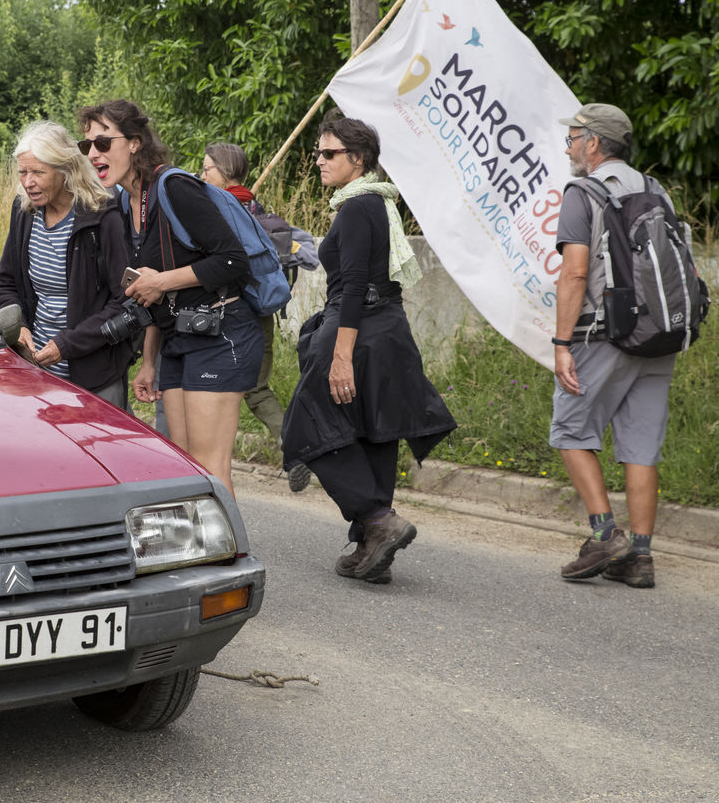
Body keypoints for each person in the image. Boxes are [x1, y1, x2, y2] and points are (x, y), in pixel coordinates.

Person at [281, 111, 455, 583]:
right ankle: (372, 549)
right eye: (318, 152)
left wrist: (341, 357)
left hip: (355, 329)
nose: (320, 160)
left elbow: (355, 284)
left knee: (307, 425)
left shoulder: (358, 207)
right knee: (373, 430)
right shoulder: (378, 201)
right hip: (387, 329)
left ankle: (378, 521)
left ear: (358, 159)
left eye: (329, 153)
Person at [79, 99, 263, 493]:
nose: (93, 153)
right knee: (187, 468)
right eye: (87, 145)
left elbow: (232, 261)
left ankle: (226, 538)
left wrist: (162, 282)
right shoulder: (125, 202)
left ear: (134, 143)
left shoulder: (174, 187)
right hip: (178, 337)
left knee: (210, 469)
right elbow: (151, 289)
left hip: (221, 332)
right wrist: (148, 361)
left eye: (103, 143)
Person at [551, 103, 675, 588]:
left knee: (571, 431)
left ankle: (606, 536)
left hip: (602, 334)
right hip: (658, 335)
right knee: (641, 447)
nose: (569, 148)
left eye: (572, 139)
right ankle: (639, 559)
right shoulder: (655, 190)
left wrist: (562, 343)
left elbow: (575, 273)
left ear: (593, 143)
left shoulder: (583, 193)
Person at [200, 141, 320, 492]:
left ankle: (206, 470)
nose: (200, 175)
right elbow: (305, 254)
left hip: (223, 315)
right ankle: (294, 447)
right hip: (262, 313)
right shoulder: (258, 211)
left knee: (207, 390)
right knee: (256, 388)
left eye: (206, 168)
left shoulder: (212, 211)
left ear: (224, 173)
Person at [0, 120, 136, 407]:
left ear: (65, 169)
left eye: (38, 172)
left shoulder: (101, 214)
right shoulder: (24, 211)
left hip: (95, 375)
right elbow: (7, 283)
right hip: (36, 372)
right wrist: (20, 326)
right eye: (23, 172)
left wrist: (68, 344)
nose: (28, 182)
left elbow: (125, 300)